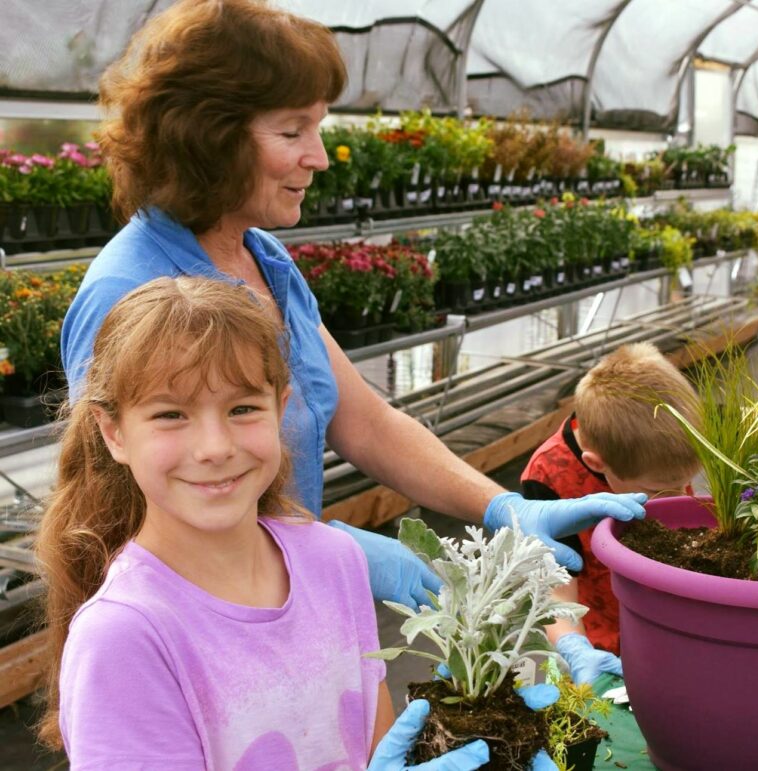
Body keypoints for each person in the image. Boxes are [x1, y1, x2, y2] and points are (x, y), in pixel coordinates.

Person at [60, 0, 646, 611]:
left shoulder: (265, 260)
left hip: (290, 601)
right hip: (199, 631)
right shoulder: (128, 292)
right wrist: (328, 548)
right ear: (207, 139)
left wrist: (504, 507)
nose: (317, 155)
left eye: (317, 127)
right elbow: (119, 524)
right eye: (292, 131)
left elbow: (366, 422)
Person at [35, 276, 557, 769]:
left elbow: (372, 749)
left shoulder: (333, 561)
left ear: (281, 407)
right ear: (114, 433)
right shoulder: (126, 637)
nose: (215, 448)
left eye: (242, 408)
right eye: (171, 414)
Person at [520, 343, 702, 684]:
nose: (676, 499)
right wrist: (577, 649)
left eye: (687, 482)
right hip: (598, 643)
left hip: (664, 631)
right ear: (596, 466)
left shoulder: (658, 455)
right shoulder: (549, 479)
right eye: (658, 492)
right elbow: (555, 590)